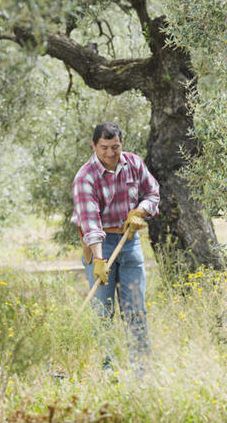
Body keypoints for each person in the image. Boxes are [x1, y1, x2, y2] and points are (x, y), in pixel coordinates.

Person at [71, 122, 159, 360]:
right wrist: (99, 259)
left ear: (122, 144)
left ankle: (142, 368)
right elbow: (90, 223)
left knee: (136, 310)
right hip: (100, 244)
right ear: (93, 145)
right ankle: (106, 369)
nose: (110, 153)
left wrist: (139, 211)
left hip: (130, 241)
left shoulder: (133, 163)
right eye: (104, 147)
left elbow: (153, 193)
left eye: (115, 147)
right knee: (102, 312)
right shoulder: (85, 177)